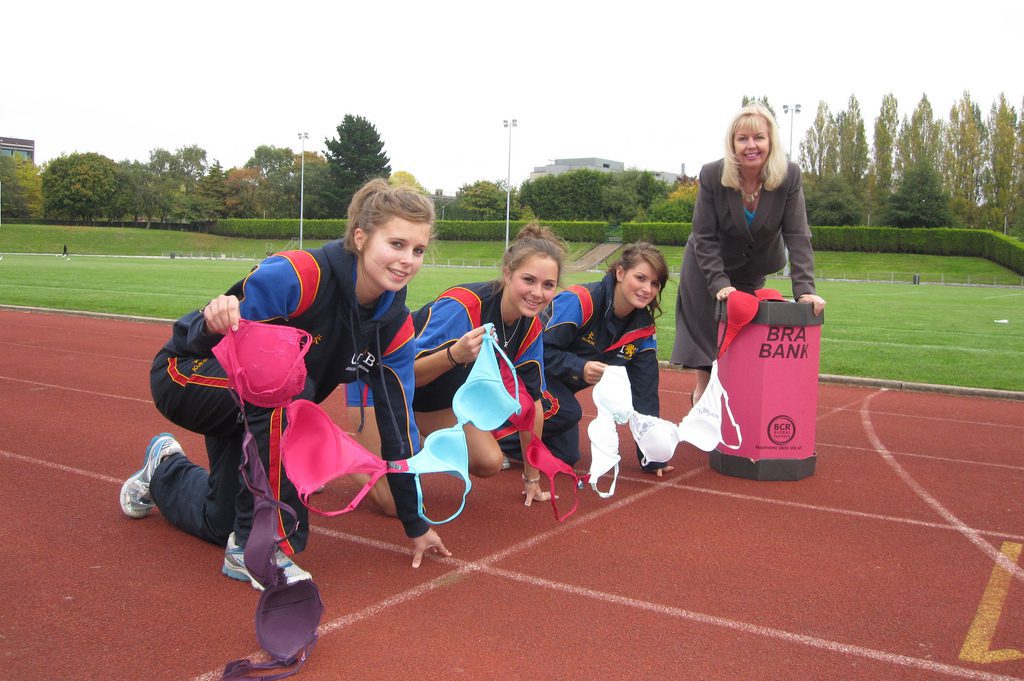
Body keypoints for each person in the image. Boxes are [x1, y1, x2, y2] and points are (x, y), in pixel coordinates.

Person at [119, 179, 452, 585]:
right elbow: (202, 334)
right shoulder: (300, 275)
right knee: (289, 390)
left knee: (217, 520)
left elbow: (398, 429)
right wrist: (211, 322)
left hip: (256, 410)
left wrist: (414, 521)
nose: (407, 260)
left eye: (417, 250)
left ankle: (163, 468)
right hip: (188, 374)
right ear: (361, 238)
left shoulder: (395, 329)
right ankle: (257, 545)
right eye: (396, 244)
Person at [346, 223, 567, 510]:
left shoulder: (531, 327)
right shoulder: (463, 306)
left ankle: (407, 447)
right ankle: (332, 453)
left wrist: (532, 478)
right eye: (529, 280)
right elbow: (402, 373)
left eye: (548, 285)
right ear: (508, 274)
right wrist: (454, 354)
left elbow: (532, 405)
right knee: (395, 505)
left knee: (489, 461)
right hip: (380, 385)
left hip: (425, 402)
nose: (537, 293)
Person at [670, 102, 826, 403]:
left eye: (759, 138)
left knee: (743, 328)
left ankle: (735, 395)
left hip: (753, 266)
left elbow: (797, 234)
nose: (751, 145)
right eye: (742, 139)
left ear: (771, 141)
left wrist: (805, 290)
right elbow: (703, 235)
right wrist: (719, 283)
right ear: (732, 144)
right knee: (707, 330)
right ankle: (702, 394)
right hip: (706, 265)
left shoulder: (789, 176)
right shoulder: (713, 174)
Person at [541, 242, 672, 474]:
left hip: (558, 389)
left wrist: (652, 457)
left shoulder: (642, 330)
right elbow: (539, 351)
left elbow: (645, 391)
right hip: (524, 376)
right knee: (568, 411)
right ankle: (493, 435)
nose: (647, 289)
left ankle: (517, 447)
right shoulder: (580, 301)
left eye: (654, 283)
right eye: (640, 278)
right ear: (620, 273)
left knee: (566, 456)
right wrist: (579, 367)